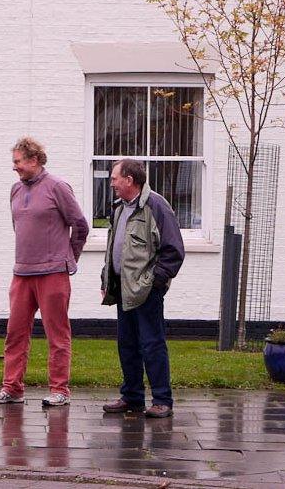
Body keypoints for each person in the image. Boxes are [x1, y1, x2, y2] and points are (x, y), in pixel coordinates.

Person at [0, 137, 89, 407]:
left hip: (53, 273)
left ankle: (60, 390)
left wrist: (69, 258)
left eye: (18, 162)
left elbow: (80, 225)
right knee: (15, 333)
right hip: (21, 273)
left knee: (57, 334)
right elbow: (19, 227)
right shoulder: (15, 190)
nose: (15, 168)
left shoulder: (57, 187)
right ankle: (12, 388)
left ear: (34, 160)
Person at [100, 159, 185, 418]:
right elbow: (114, 247)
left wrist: (153, 282)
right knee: (127, 345)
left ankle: (162, 400)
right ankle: (132, 397)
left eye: (115, 178)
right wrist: (107, 279)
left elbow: (173, 251)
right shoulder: (119, 208)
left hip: (146, 291)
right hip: (123, 289)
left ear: (129, 180)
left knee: (152, 344)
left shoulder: (156, 206)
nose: (112, 182)